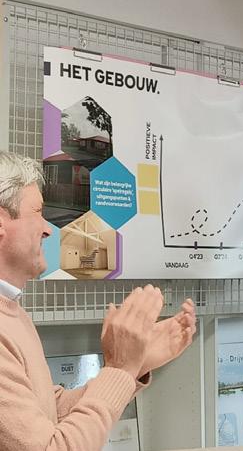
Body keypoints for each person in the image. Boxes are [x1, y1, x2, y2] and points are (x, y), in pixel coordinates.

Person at [0, 151, 197, 451]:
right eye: (37, 212)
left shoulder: (12, 312)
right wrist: (120, 368)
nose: (47, 228)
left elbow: (50, 413)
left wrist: (132, 365)